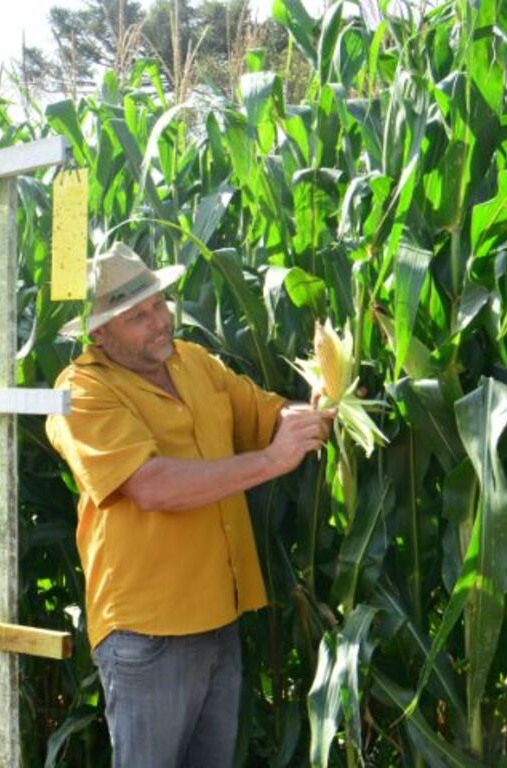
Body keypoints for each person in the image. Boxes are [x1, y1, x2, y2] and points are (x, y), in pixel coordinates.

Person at [45, 243, 332, 767]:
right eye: (136, 317)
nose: (158, 322)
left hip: (219, 618)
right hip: (147, 634)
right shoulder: (81, 392)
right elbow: (150, 486)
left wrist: (324, 405)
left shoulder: (193, 362)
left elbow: (266, 415)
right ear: (99, 334)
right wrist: (271, 461)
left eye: (158, 305)